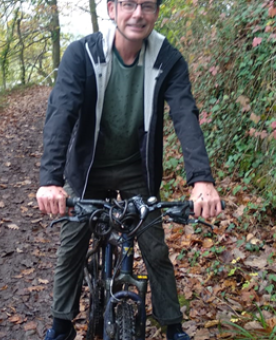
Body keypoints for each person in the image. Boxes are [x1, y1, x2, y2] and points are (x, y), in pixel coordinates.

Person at [36, 0, 222, 339]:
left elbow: (184, 114)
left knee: (155, 247)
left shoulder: (168, 59)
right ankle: (61, 326)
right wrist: (51, 181)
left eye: (147, 5)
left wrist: (202, 179)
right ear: (111, 9)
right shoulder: (83, 54)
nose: (138, 13)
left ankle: (173, 327)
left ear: (156, 13)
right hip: (88, 170)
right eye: (128, 4)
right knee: (73, 243)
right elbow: (61, 112)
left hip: (136, 168)